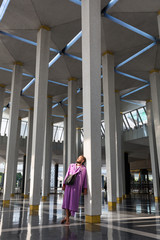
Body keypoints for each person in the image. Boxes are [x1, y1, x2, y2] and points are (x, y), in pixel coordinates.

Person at [61, 155, 87, 224]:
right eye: (78, 157)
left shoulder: (84, 169)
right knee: (67, 202)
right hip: (69, 186)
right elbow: (67, 175)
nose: (78, 158)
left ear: (83, 160)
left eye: (80, 158)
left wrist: (85, 188)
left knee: (73, 203)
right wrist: (64, 184)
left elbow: (85, 179)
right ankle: (67, 220)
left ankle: (66, 217)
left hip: (76, 188)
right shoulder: (71, 165)